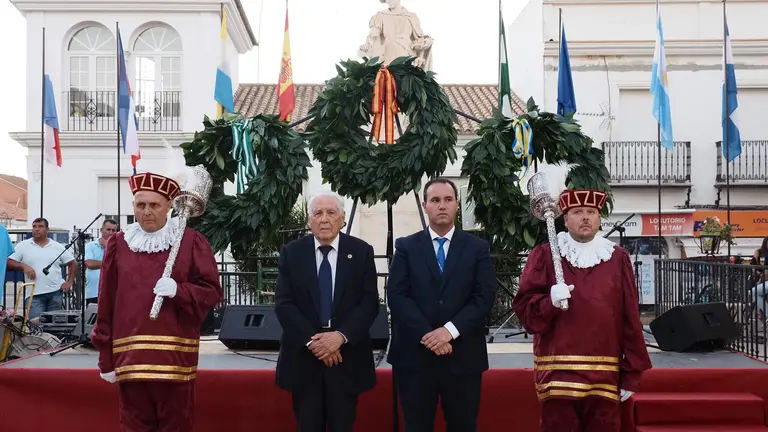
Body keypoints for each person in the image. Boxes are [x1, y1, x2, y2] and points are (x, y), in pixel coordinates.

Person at [90, 170, 223, 432]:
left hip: (175, 356)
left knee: (176, 425)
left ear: (169, 207)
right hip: (130, 357)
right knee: (134, 426)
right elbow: (106, 301)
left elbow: (212, 291)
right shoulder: (119, 243)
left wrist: (180, 290)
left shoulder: (190, 241)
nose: (147, 211)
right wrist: (106, 357)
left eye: (154, 205)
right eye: (141, 205)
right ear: (133, 207)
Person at [513, 185, 652, 432]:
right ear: (565, 219)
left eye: (591, 211)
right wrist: (550, 302)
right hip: (558, 373)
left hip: (606, 373)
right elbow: (525, 310)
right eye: (577, 212)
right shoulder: (545, 255)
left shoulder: (617, 257)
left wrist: (631, 373)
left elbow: (629, 316)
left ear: (600, 218)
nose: (585, 217)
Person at [386, 178, 497, 432]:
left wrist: (449, 331)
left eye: (448, 200)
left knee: (463, 426)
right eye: (435, 200)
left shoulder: (477, 248)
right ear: (425, 206)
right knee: (416, 426)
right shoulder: (405, 247)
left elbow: (484, 296)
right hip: (415, 358)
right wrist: (428, 335)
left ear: (458, 204)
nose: (442, 206)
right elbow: (397, 295)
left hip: (463, 357)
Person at [274, 191, 380, 432]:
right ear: (309, 220)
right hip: (304, 358)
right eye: (317, 213)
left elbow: (369, 302)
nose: (324, 219)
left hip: (347, 358)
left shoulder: (361, 251)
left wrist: (339, 337)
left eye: (331, 213)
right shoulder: (292, 253)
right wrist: (315, 343)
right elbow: (284, 303)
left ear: (342, 218)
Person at [7, 217, 76, 320]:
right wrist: (23, 266)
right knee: (35, 328)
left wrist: (69, 282)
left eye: (40, 226)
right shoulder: (23, 245)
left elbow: (73, 263)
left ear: (47, 229)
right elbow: (8, 262)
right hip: (34, 294)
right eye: (34, 226)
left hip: (55, 292)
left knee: (54, 327)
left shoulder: (57, 246)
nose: (36, 229)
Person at [83, 219, 119, 305]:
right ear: (101, 230)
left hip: (112, 292)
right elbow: (89, 263)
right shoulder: (91, 245)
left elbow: (119, 264)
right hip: (93, 292)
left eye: (113, 230)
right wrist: (109, 263)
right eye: (108, 229)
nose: (111, 233)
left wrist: (108, 247)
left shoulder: (119, 247)